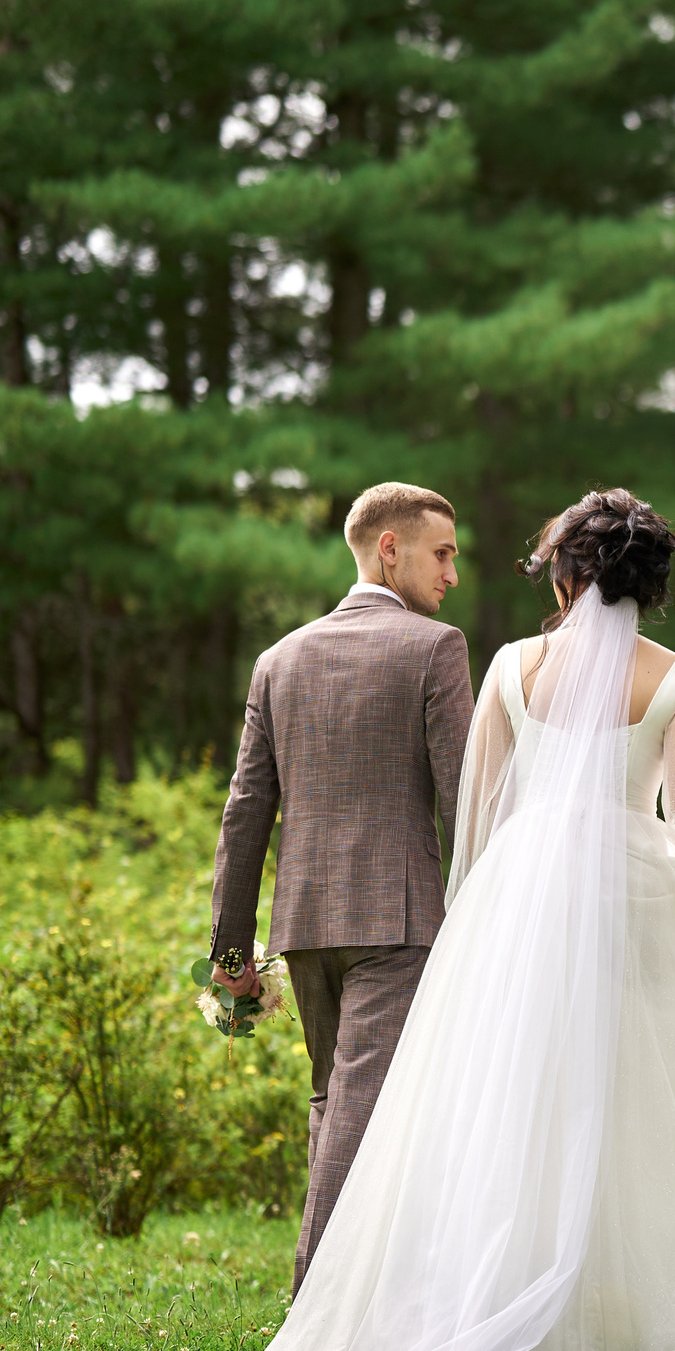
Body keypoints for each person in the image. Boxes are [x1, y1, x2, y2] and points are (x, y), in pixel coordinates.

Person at [250, 489, 675, 1351]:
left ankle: (485, 1299)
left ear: (564, 575)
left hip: (517, 897)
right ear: (650, 582)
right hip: (627, 892)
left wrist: (485, 923)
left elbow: (479, 807)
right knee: (634, 1097)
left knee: (518, 1101)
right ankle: (630, 1311)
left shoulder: (511, 669)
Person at [209, 482, 471, 1293]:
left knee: (336, 1103)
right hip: (397, 921)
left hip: (304, 923)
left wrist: (229, 950)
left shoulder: (277, 659)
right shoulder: (436, 648)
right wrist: (484, 917)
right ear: (388, 548)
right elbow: (464, 797)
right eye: (442, 552)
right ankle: (314, 1307)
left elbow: (244, 814)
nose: (452, 575)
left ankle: (373, 1299)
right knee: (361, 1109)